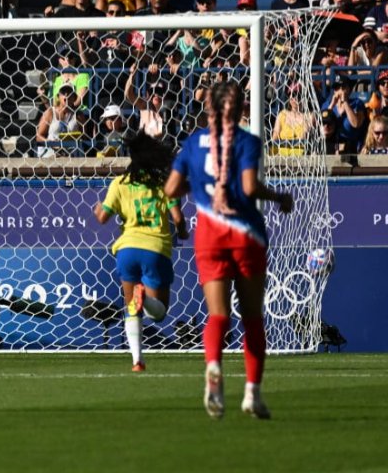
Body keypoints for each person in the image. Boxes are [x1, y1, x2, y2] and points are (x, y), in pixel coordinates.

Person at [164, 80, 294, 420]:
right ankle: (252, 393)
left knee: (218, 315)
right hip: (245, 235)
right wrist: (278, 196)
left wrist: (199, 184)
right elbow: (249, 187)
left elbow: (171, 189)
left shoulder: (193, 143)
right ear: (238, 110)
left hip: (209, 236)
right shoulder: (247, 141)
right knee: (252, 317)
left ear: (210, 106)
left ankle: (213, 367)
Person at [94, 132, 187, 372]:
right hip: (155, 249)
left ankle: (137, 360)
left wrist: (97, 209)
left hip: (126, 250)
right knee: (158, 314)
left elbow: (102, 217)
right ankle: (144, 298)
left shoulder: (119, 183)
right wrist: (183, 232)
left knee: (131, 309)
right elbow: (178, 218)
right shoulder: (163, 184)